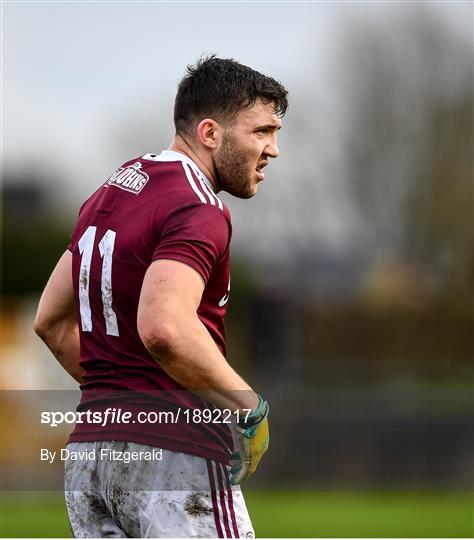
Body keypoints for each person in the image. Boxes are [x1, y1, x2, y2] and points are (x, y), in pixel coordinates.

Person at [34, 55, 288, 538]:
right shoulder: (197, 204)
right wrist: (248, 408)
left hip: (90, 458)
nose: (273, 149)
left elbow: (50, 321)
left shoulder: (110, 191)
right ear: (211, 134)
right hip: (174, 458)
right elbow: (165, 328)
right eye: (261, 132)